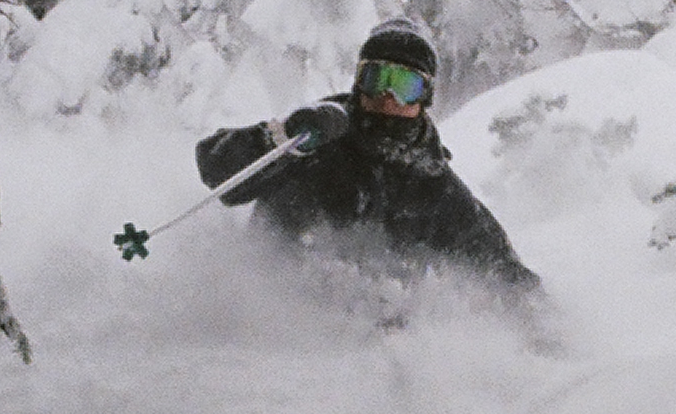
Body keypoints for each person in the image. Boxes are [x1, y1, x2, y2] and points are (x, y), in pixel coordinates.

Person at [192, 18, 540, 292]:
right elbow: (218, 170)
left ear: (425, 97)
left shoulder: (434, 188)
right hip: (260, 311)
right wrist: (280, 137)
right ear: (360, 81)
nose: (388, 96)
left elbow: (502, 270)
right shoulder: (314, 141)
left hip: (354, 346)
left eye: (405, 85)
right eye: (377, 78)